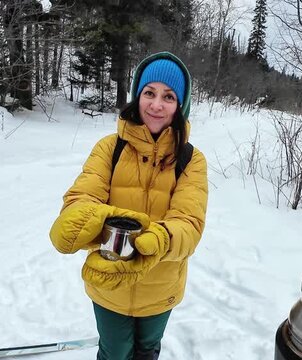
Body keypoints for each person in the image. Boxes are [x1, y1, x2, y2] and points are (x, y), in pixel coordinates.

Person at [49, 51, 208, 360]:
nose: (157, 104)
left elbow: (189, 222)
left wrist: (161, 239)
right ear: (138, 96)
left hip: (161, 286)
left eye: (169, 96)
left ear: (180, 105)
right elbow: (83, 194)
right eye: (149, 93)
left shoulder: (191, 159)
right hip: (111, 280)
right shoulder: (110, 148)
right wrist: (81, 218)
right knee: (114, 352)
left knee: (147, 350)